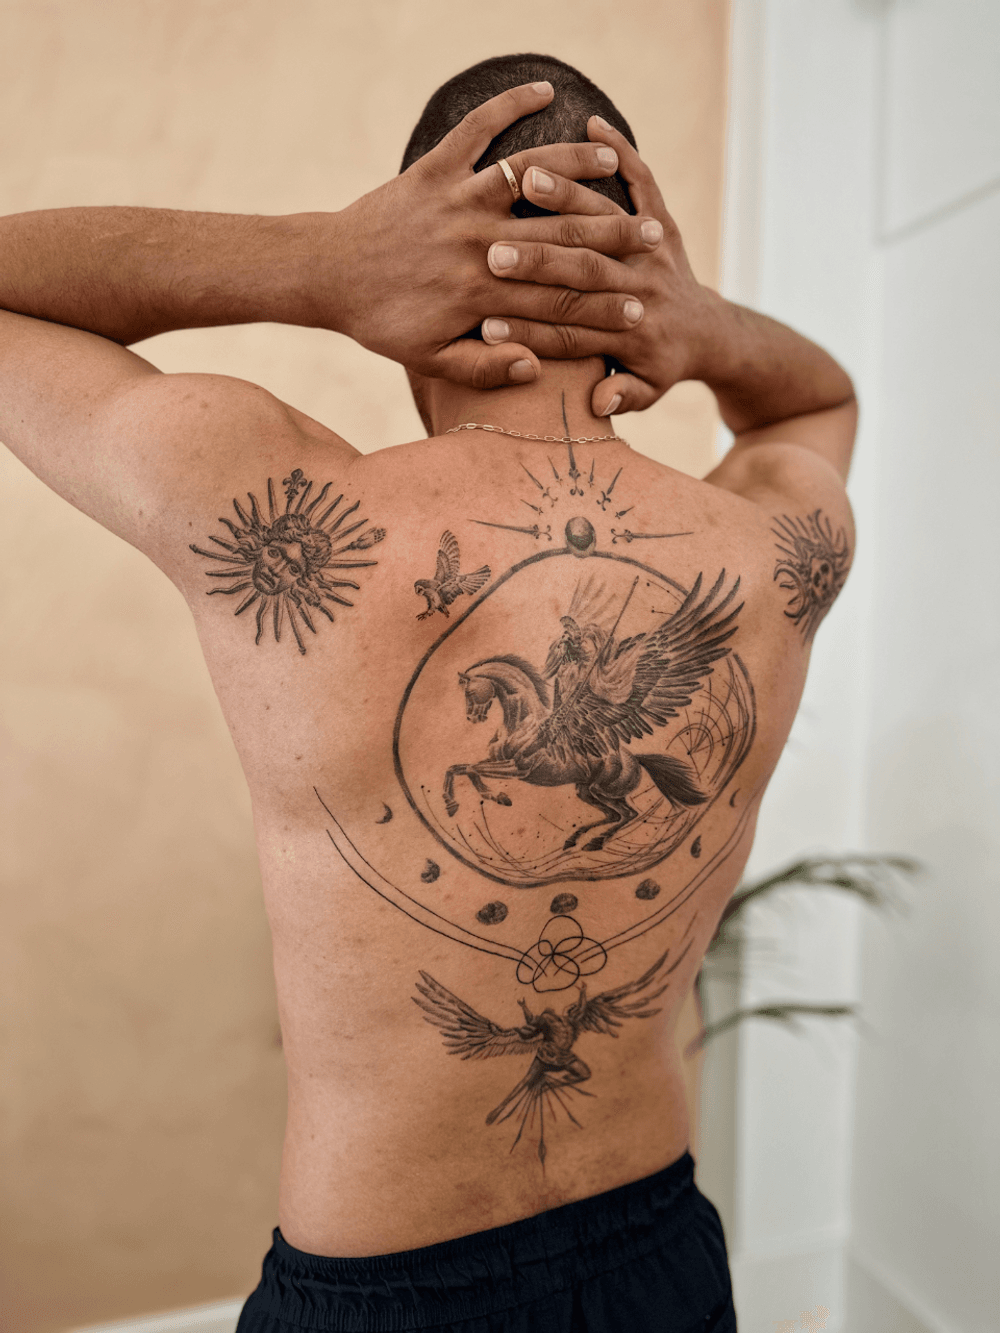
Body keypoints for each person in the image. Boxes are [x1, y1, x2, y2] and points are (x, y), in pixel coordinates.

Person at [0, 53, 856, 1333]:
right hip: (659, 1258)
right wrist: (701, 326)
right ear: (638, 269)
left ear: (423, 263)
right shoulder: (765, 548)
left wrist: (314, 264)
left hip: (387, 1298)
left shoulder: (282, 509)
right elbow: (816, 397)